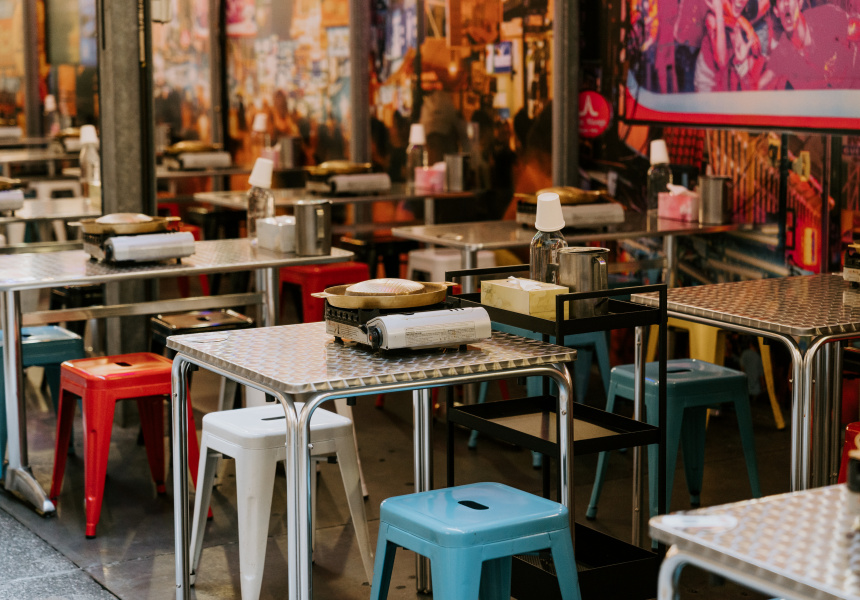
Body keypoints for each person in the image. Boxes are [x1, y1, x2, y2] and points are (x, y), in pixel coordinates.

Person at [767, 0, 858, 89]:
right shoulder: (782, 55)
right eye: (781, 0)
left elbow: (855, 28)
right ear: (776, 10)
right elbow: (765, 81)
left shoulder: (827, 16)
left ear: (800, 2)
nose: (786, 3)